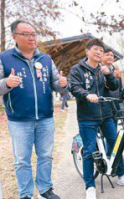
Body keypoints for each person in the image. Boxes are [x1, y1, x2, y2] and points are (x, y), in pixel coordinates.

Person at [0, 20, 67, 199]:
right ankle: (25, 194)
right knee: (22, 160)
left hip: (45, 117)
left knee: (45, 155)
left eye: (34, 34)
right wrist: (6, 83)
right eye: (27, 34)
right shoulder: (4, 58)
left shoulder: (45, 58)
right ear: (15, 36)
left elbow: (55, 84)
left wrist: (62, 84)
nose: (32, 37)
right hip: (19, 120)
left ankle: (45, 189)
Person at [69, 39, 124, 199]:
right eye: (95, 49)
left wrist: (109, 75)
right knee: (89, 150)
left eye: (100, 50)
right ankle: (89, 186)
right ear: (87, 51)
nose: (98, 52)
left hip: (106, 115)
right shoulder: (78, 69)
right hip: (87, 117)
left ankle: (122, 176)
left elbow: (114, 87)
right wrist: (86, 95)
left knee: (116, 144)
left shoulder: (104, 69)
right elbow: (74, 87)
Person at [101, 48, 123, 127]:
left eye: (112, 55)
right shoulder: (99, 69)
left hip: (115, 105)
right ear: (101, 57)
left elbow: (120, 88)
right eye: (107, 55)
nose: (110, 57)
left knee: (114, 130)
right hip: (103, 105)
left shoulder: (116, 70)